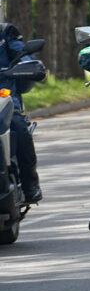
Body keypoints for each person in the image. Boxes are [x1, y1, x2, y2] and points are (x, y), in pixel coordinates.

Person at [0, 23, 42, 203]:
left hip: (3, 100)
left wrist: (27, 65)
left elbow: (23, 57)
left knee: (18, 126)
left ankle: (29, 184)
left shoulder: (5, 33)